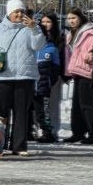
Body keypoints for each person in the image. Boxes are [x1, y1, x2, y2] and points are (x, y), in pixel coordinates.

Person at [0, 0, 45, 155]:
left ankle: (19, 146)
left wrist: (35, 28)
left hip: (24, 77)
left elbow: (39, 45)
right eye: (16, 11)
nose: (20, 14)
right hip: (2, 77)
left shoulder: (30, 28)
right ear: (9, 13)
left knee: (21, 113)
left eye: (22, 11)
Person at [62, 8, 93, 144]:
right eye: (69, 19)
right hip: (76, 71)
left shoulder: (89, 32)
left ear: (80, 18)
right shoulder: (71, 34)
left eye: (74, 18)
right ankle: (78, 132)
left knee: (87, 104)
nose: (71, 21)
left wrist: (90, 55)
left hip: (86, 70)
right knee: (76, 104)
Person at [31, 12, 63, 143]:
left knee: (46, 110)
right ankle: (33, 130)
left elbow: (56, 68)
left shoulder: (52, 48)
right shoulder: (32, 47)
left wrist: (50, 80)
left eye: (48, 22)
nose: (45, 25)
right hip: (32, 83)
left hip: (45, 84)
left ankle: (48, 131)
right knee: (34, 109)